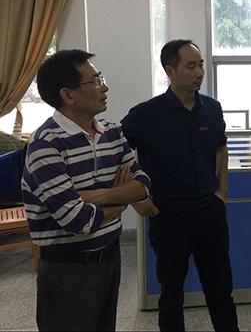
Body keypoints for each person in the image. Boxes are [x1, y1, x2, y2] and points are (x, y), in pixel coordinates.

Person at [21, 49, 158, 331]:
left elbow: (143, 185)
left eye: (101, 78)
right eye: (95, 81)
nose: (104, 87)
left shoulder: (111, 132)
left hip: (110, 259)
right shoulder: (46, 144)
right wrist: (121, 201)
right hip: (67, 269)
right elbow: (76, 220)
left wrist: (97, 197)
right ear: (68, 95)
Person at [121, 39, 238, 331]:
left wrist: (222, 192)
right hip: (169, 215)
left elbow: (221, 148)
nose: (199, 73)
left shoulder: (211, 108)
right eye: (191, 66)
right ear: (170, 71)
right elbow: (115, 154)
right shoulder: (147, 114)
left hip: (210, 212)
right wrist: (135, 198)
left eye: (201, 65)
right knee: (171, 294)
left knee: (221, 290)